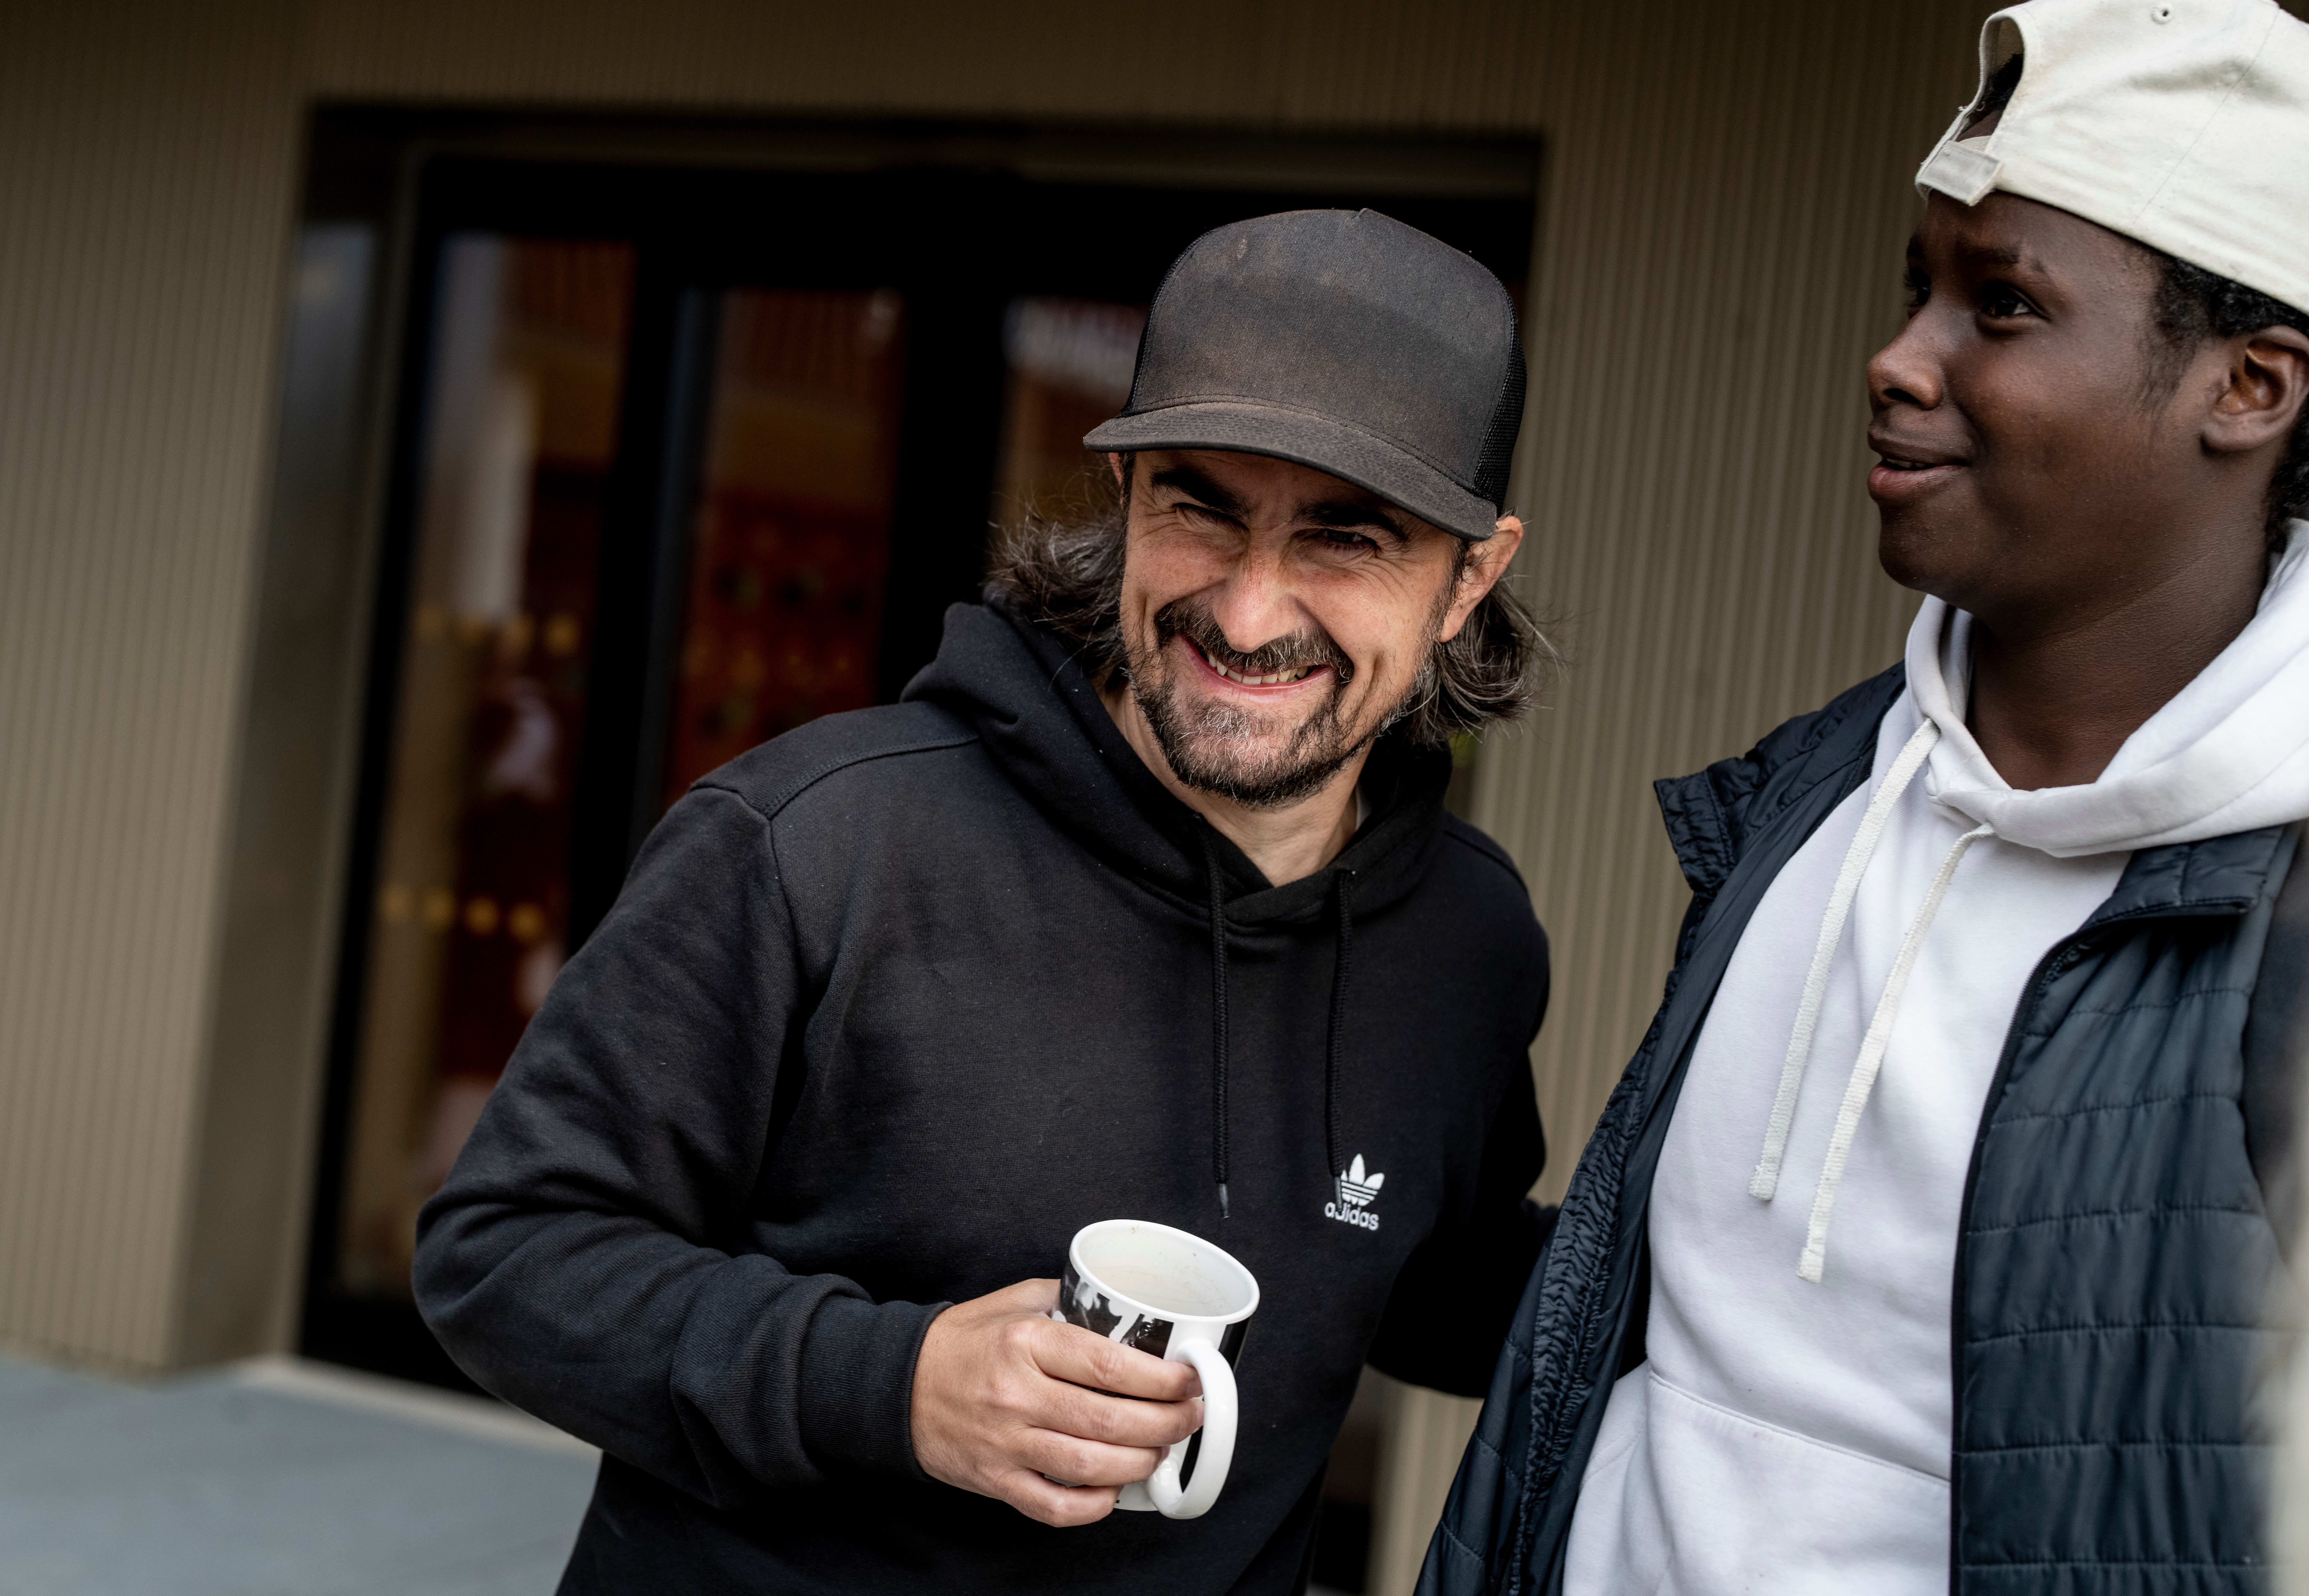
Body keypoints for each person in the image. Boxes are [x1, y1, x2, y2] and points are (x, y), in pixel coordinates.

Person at [416, 208, 1556, 1594]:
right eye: (1200, 506)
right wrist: (894, 1383)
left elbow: (1441, 1290)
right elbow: (504, 1257)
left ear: (1470, 579)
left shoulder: (1466, 944)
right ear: (1125, 492)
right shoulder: (817, 844)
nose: (1250, 613)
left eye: (1347, 539)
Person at [1424, 2, 2309, 1592]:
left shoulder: (2282, 918)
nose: (1899, 359)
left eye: (2006, 304)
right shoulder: (1811, 792)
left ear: (2248, 385)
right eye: (1921, 288)